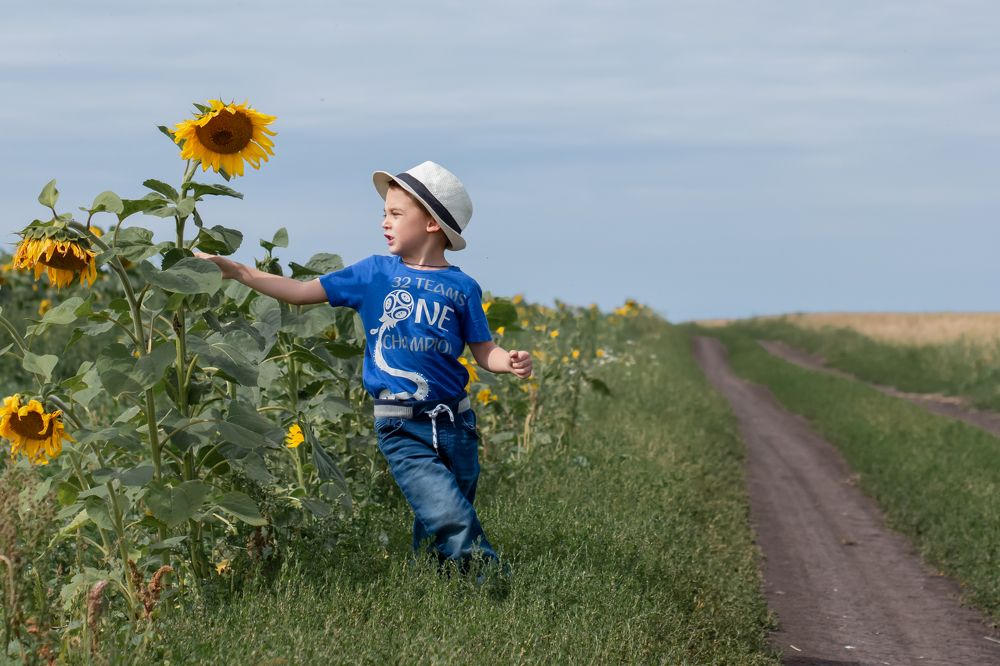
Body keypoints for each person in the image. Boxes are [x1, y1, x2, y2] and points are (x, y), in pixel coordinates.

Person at [196, 160, 532, 573]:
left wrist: (508, 361)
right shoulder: (374, 273)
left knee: (442, 511)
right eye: (384, 214)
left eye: (395, 213)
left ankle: (435, 584)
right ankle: (490, 577)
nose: (384, 222)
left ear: (431, 224)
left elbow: (483, 350)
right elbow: (300, 292)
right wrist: (240, 272)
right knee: (446, 511)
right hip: (401, 423)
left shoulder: (462, 287)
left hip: (456, 423)